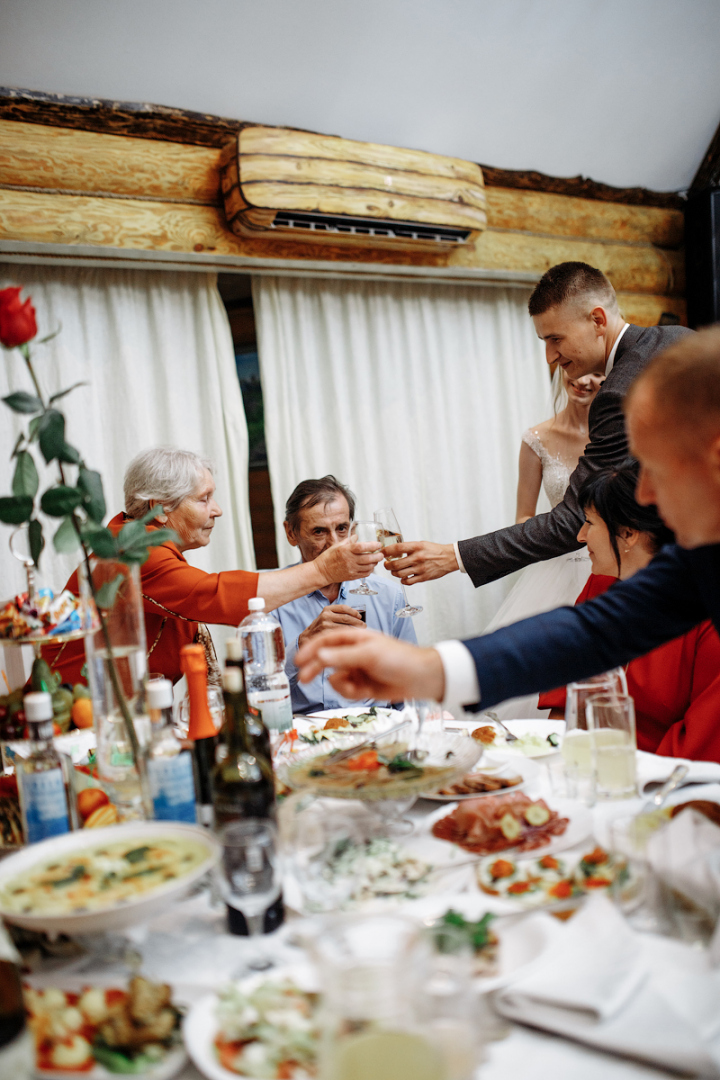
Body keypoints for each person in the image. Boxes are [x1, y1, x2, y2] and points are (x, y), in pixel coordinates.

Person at [292, 327, 720, 724]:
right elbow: (593, 631)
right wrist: (423, 670)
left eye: (657, 468)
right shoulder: (697, 563)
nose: (642, 494)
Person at [380, 261, 692, 590]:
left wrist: (453, 556)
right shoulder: (680, 339)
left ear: (598, 320)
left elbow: (574, 517)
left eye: (556, 338)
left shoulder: (617, 394)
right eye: (544, 341)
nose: (550, 356)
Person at [43, 448, 382, 686]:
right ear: (159, 509)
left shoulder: (138, 540)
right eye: (204, 499)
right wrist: (325, 570)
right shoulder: (133, 550)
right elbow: (211, 594)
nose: (216, 509)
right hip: (78, 716)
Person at [536, 462, 720, 762]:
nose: (581, 536)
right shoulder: (601, 582)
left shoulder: (705, 610)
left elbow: (703, 737)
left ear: (629, 533)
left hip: (661, 773)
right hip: (587, 759)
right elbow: (566, 677)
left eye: (589, 523)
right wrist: (556, 757)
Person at [481, 367, 603, 719]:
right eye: (575, 372)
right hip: (556, 568)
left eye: (596, 373)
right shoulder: (536, 438)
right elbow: (523, 518)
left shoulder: (619, 434)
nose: (584, 381)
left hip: (610, 563)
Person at [274, 475, 416, 713]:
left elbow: (409, 683)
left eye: (342, 529)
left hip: (375, 731)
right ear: (291, 533)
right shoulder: (272, 599)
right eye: (319, 532)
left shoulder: (388, 596)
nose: (335, 544)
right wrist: (301, 645)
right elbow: (256, 692)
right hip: (302, 737)